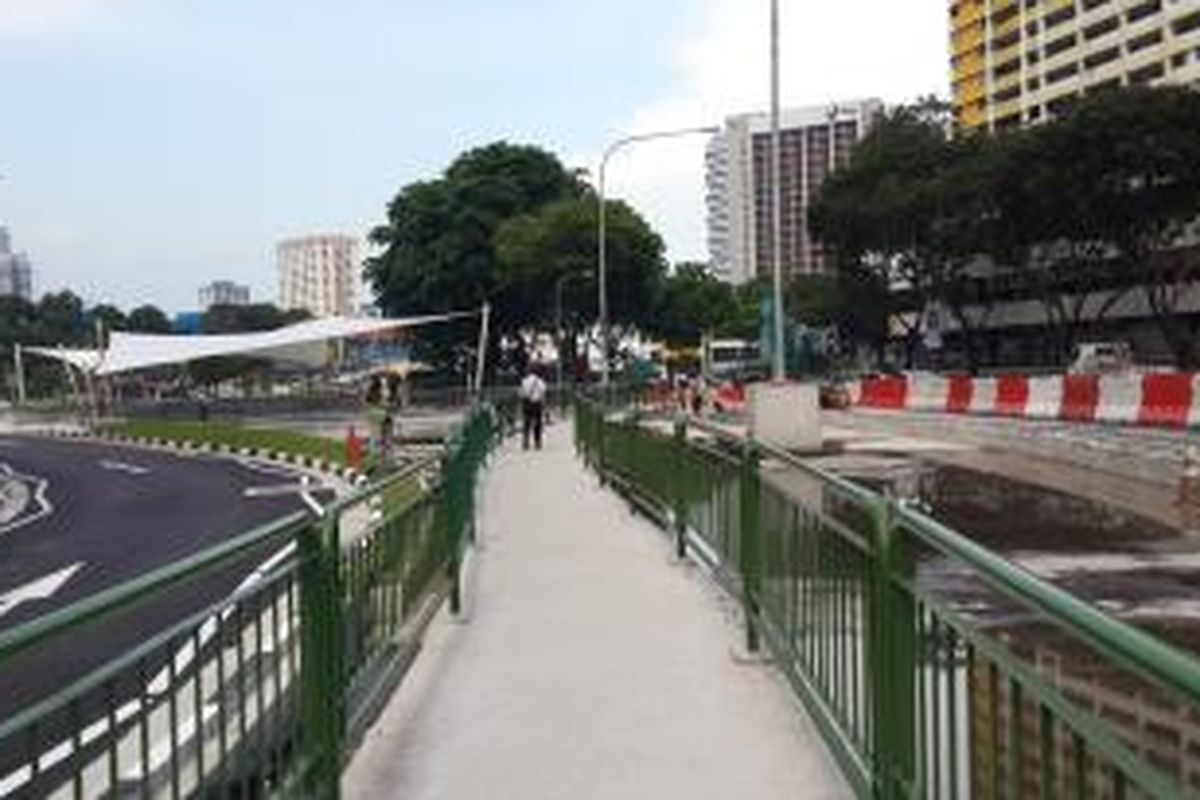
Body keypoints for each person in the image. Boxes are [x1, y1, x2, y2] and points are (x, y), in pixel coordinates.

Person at [519, 367, 547, 450]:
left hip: (527, 404)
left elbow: (521, 393)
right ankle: (537, 442)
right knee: (537, 423)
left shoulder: (524, 381)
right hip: (537, 404)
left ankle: (525, 442)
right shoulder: (541, 382)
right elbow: (543, 394)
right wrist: (544, 405)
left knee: (526, 423)